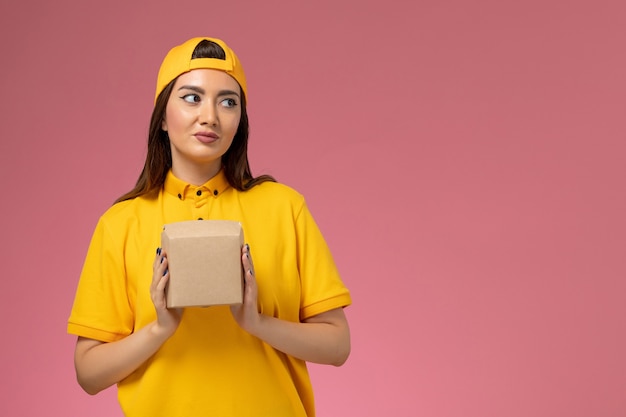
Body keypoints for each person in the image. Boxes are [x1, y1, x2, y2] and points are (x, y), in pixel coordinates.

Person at [67, 37, 351, 417]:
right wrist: (159, 328)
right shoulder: (121, 223)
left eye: (228, 102)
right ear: (162, 118)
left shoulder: (284, 207)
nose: (210, 116)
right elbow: (88, 373)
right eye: (191, 97)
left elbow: (337, 345)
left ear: (240, 122)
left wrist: (256, 322)